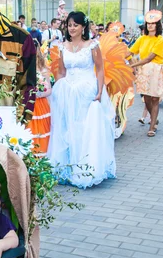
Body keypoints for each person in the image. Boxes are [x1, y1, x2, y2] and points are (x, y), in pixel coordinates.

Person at [47, 11, 116, 188]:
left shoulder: (92, 45)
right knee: (66, 127)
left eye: (75, 25)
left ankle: (85, 168)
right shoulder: (63, 46)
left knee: (85, 127)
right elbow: (61, 71)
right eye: (69, 25)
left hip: (87, 90)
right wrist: (55, 88)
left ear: (83, 27)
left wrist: (100, 90)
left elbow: (100, 69)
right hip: (67, 90)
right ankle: (67, 168)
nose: (71, 28)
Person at [129, 9, 163, 137]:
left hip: (156, 70)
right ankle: (154, 117)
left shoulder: (160, 40)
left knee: (155, 98)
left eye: (153, 23)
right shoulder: (142, 38)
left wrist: (133, 65)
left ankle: (152, 126)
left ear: (157, 25)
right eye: (148, 23)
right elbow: (131, 52)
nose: (150, 26)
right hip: (144, 71)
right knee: (146, 98)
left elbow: (149, 58)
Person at [26, 47, 51, 157]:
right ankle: (31, 156)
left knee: (43, 129)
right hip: (30, 103)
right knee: (31, 129)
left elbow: (49, 89)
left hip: (42, 104)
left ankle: (42, 155)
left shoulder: (44, 69)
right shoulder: (25, 67)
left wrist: (41, 93)